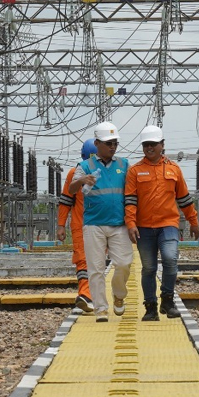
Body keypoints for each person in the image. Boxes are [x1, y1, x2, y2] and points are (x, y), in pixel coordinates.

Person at [124, 125, 199, 321]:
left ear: (162, 145)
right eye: (146, 145)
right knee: (148, 268)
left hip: (168, 224)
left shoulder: (174, 169)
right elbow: (130, 200)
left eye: (153, 144)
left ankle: (167, 299)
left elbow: (184, 198)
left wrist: (193, 221)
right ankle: (150, 308)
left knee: (170, 259)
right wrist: (131, 223)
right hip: (144, 228)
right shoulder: (135, 171)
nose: (149, 148)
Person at [68, 121, 133, 323]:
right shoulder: (85, 166)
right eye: (108, 143)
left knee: (123, 263)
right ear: (97, 144)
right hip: (93, 224)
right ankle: (101, 309)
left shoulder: (124, 165)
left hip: (119, 224)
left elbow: (132, 193)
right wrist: (81, 181)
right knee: (95, 269)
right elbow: (71, 189)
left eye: (115, 143)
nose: (112, 147)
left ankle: (119, 295)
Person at [57, 140, 97, 313]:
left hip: (100, 226)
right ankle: (85, 294)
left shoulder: (106, 173)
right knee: (82, 260)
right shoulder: (74, 174)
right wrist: (60, 225)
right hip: (80, 225)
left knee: (97, 262)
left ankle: (92, 294)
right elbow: (66, 201)